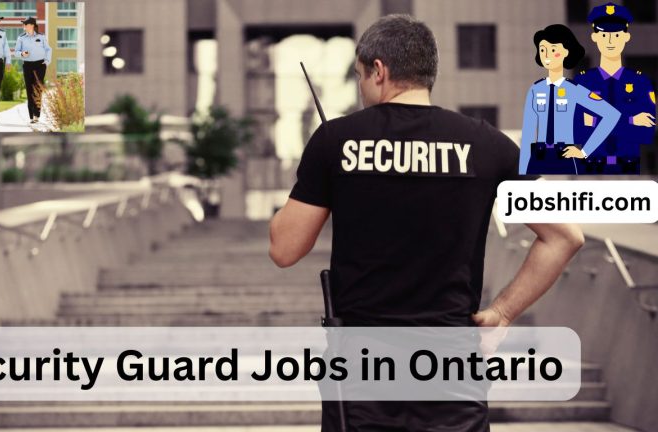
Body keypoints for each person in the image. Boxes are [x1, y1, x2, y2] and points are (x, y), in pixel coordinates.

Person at [269, 14, 584, 431]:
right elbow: (565, 236)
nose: (362, 89)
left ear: (379, 71)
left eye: (361, 77)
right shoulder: (486, 143)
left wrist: (323, 176)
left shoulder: (336, 141)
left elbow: (285, 249)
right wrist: (503, 313)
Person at [520, 24, 619, 175]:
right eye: (542, 50)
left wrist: (584, 151)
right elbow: (528, 133)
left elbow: (611, 115)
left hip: (564, 156)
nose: (547, 55)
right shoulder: (536, 89)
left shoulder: (573, 90)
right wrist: (522, 172)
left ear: (566, 52)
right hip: (538, 157)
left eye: (553, 50)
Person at [573, 2, 656, 174]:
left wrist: (596, 121)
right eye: (604, 36)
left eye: (617, 36)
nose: (610, 41)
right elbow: (576, 129)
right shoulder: (582, 83)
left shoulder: (640, 83)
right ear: (594, 38)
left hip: (629, 168)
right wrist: (631, 121)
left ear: (626, 37)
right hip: (590, 168)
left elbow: (646, 133)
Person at [14, 17, 52, 124]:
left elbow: (48, 49)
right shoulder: (21, 38)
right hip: (27, 65)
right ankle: (31, 116)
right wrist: (22, 54)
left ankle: (36, 115)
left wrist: (47, 61)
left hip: (40, 65)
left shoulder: (41, 36)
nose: (24, 26)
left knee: (38, 89)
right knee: (29, 90)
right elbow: (16, 52)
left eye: (25, 24)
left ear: (31, 25)